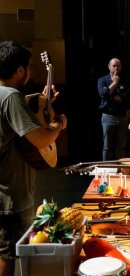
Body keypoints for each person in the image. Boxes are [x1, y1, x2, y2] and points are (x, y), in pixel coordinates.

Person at [0, 41, 67, 276]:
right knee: (7, 257)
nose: (30, 72)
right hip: (10, 195)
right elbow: (39, 140)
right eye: (28, 67)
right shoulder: (10, 97)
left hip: (7, 192)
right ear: (20, 70)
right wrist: (58, 126)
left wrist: (42, 102)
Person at [97, 58, 130, 161]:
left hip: (122, 116)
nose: (116, 68)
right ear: (109, 66)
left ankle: (120, 169)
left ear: (121, 67)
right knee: (107, 146)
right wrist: (114, 83)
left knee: (121, 145)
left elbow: (128, 96)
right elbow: (103, 95)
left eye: (118, 66)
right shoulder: (102, 80)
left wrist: (112, 95)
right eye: (114, 66)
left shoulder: (126, 80)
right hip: (108, 116)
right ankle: (106, 168)